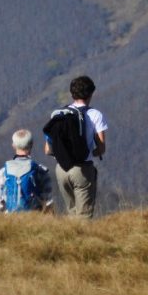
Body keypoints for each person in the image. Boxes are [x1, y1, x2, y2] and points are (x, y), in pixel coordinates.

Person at [43, 75, 108, 219]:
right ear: (91, 93)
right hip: (82, 169)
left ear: (72, 93)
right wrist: (89, 153)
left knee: (71, 212)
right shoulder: (95, 115)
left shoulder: (59, 114)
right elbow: (102, 148)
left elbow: (47, 149)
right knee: (84, 216)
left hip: (61, 169)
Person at [0, 129, 53, 213]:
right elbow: (48, 202)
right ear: (31, 145)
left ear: (13, 146)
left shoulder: (2, 173)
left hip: (9, 220)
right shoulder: (41, 171)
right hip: (34, 218)